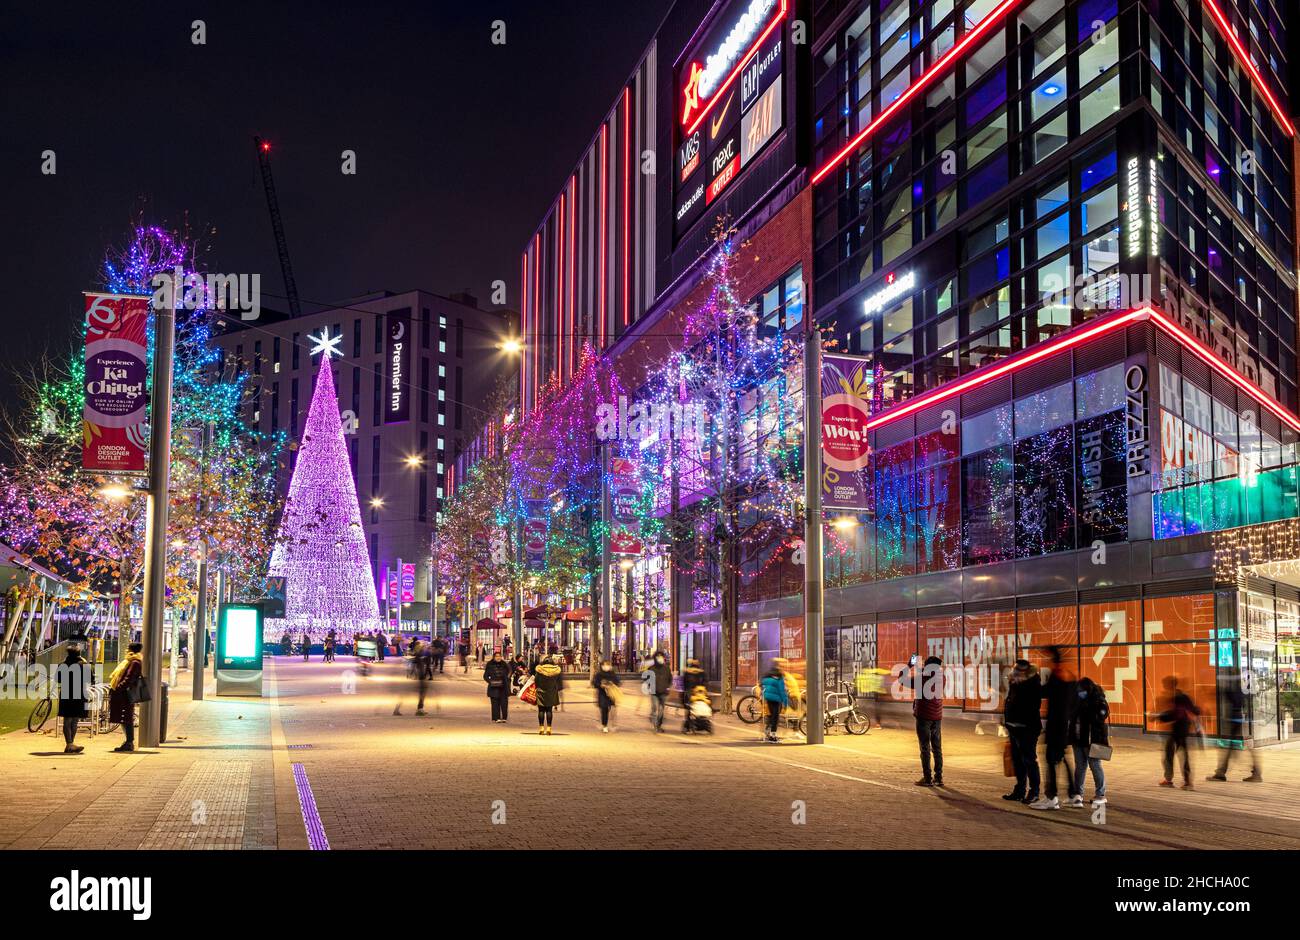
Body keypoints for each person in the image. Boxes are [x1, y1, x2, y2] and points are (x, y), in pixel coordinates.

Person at [1032, 646, 1079, 810]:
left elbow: (1043, 692)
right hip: (1065, 725)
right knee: (1063, 759)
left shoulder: (1057, 677)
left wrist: (1033, 683)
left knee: (1051, 760)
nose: (1046, 663)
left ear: (1053, 661)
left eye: (1047, 660)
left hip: (1055, 725)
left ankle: (1051, 797)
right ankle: (1074, 795)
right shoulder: (1071, 678)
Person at [1207, 672, 1262, 783]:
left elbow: (1234, 698)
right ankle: (1221, 772)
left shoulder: (1235, 690)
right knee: (1233, 747)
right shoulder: (1241, 689)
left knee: (1232, 747)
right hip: (1239, 719)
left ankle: (1221, 773)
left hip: (1235, 720)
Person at [1002, 659, 1042, 805]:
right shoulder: (1015, 682)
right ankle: (1019, 790)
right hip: (1014, 727)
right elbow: (1010, 701)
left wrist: (1020, 684)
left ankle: (1034, 792)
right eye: (1015, 670)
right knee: (1018, 760)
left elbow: (1032, 706)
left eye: (1018, 671)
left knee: (1029, 760)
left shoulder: (1032, 683)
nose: (1014, 673)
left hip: (1027, 728)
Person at [1067, 676, 1110, 807]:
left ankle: (1100, 795)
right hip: (1078, 738)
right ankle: (1078, 794)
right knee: (1080, 766)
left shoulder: (1098, 700)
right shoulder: (1077, 699)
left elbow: (1100, 718)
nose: (1080, 692)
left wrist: (1087, 708)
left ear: (1088, 689)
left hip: (1092, 739)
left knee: (1095, 765)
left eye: (1081, 690)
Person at [1155, 675, 1201, 789]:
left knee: (1176, 755)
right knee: (1173, 754)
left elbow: (1174, 714)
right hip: (1182, 729)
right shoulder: (1183, 696)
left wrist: (1160, 717)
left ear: (1170, 685)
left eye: (1165, 685)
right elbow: (1195, 710)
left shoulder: (1177, 698)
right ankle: (1176, 780)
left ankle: (1183, 781)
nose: (1164, 687)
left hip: (1178, 729)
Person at [913, 655, 944, 787]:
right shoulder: (942, 677)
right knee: (937, 748)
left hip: (924, 717)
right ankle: (938, 777)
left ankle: (927, 778)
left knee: (925, 747)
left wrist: (911, 664)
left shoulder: (922, 678)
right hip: (937, 717)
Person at [108, 642, 144, 753]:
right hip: (123, 693)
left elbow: (129, 678)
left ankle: (129, 742)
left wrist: (118, 687)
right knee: (124, 718)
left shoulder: (135, 662)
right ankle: (128, 742)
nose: (126, 650)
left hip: (125, 694)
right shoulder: (129, 661)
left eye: (128, 648)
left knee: (126, 717)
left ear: (131, 650)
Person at [56, 643, 90, 754]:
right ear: (79, 653)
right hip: (79, 693)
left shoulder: (62, 665)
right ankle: (70, 744)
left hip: (66, 693)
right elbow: (90, 679)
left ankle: (69, 744)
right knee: (75, 720)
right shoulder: (84, 665)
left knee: (67, 719)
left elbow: (58, 679)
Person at [394, 639, 431, 717]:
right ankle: (419, 710)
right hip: (418, 679)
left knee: (417, 694)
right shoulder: (419, 658)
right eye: (422, 648)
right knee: (417, 694)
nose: (424, 649)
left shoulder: (419, 657)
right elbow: (415, 669)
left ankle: (418, 709)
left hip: (418, 679)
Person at [532, 654, 564, 735]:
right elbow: (559, 683)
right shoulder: (556, 671)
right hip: (551, 692)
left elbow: (536, 681)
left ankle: (541, 728)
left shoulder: (539, 671)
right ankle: (549, 728)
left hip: (540, 692)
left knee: (541, 710)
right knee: (549, 710)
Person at [760, 662, 789, 742]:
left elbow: (762, 685)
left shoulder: (767, 678)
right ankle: (773, 736)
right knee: (775, 717)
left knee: (771, 715)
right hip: (776, 700)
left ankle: (767, 731)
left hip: (768, 698)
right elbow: (782, 691)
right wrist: (786, 703)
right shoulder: (779, 679)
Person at [591, 659, 621, 732]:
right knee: (604, 710)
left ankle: (613, 724)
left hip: (611, 695)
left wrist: (611, 684)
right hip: (602, 695)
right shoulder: (599, 674)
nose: (606, 666)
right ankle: (604, 725)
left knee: (613, 710)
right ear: (601, 666)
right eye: (604, 665)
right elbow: (594, 683)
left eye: (608, 665)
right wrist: (601, 685)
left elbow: (618, 682)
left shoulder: (612, 674)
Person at [647, 651, 673, 732]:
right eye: (658, 657)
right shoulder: (651, 668)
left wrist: (667, 686)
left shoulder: (666, 668)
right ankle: (655, 726)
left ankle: (659, 725)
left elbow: (670, 679)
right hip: (654, 692)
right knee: (655, 708)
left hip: (663, 692)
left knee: (661, 710)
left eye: (661, 656)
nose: (660, 658)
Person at [483, 651, 512, 722]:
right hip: (494, 687)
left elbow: (510, 672)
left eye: (499, 656)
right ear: (494, 657)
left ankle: (504, 717)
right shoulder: (490, 664)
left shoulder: (504, 664)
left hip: (503, 687)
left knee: (504, 703)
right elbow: (485, 676)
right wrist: (490, 681)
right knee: (495, 703)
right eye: (496, 656)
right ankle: (496, 718)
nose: (498, 657)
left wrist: (507, 679)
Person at [680, 658, 707, 726]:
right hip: (699, 692)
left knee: (689, 707)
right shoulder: (701, 672)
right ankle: (698, 721)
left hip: (692, 692)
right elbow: (705, 682)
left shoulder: (688, 672)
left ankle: (689, 721)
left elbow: (684, 683)